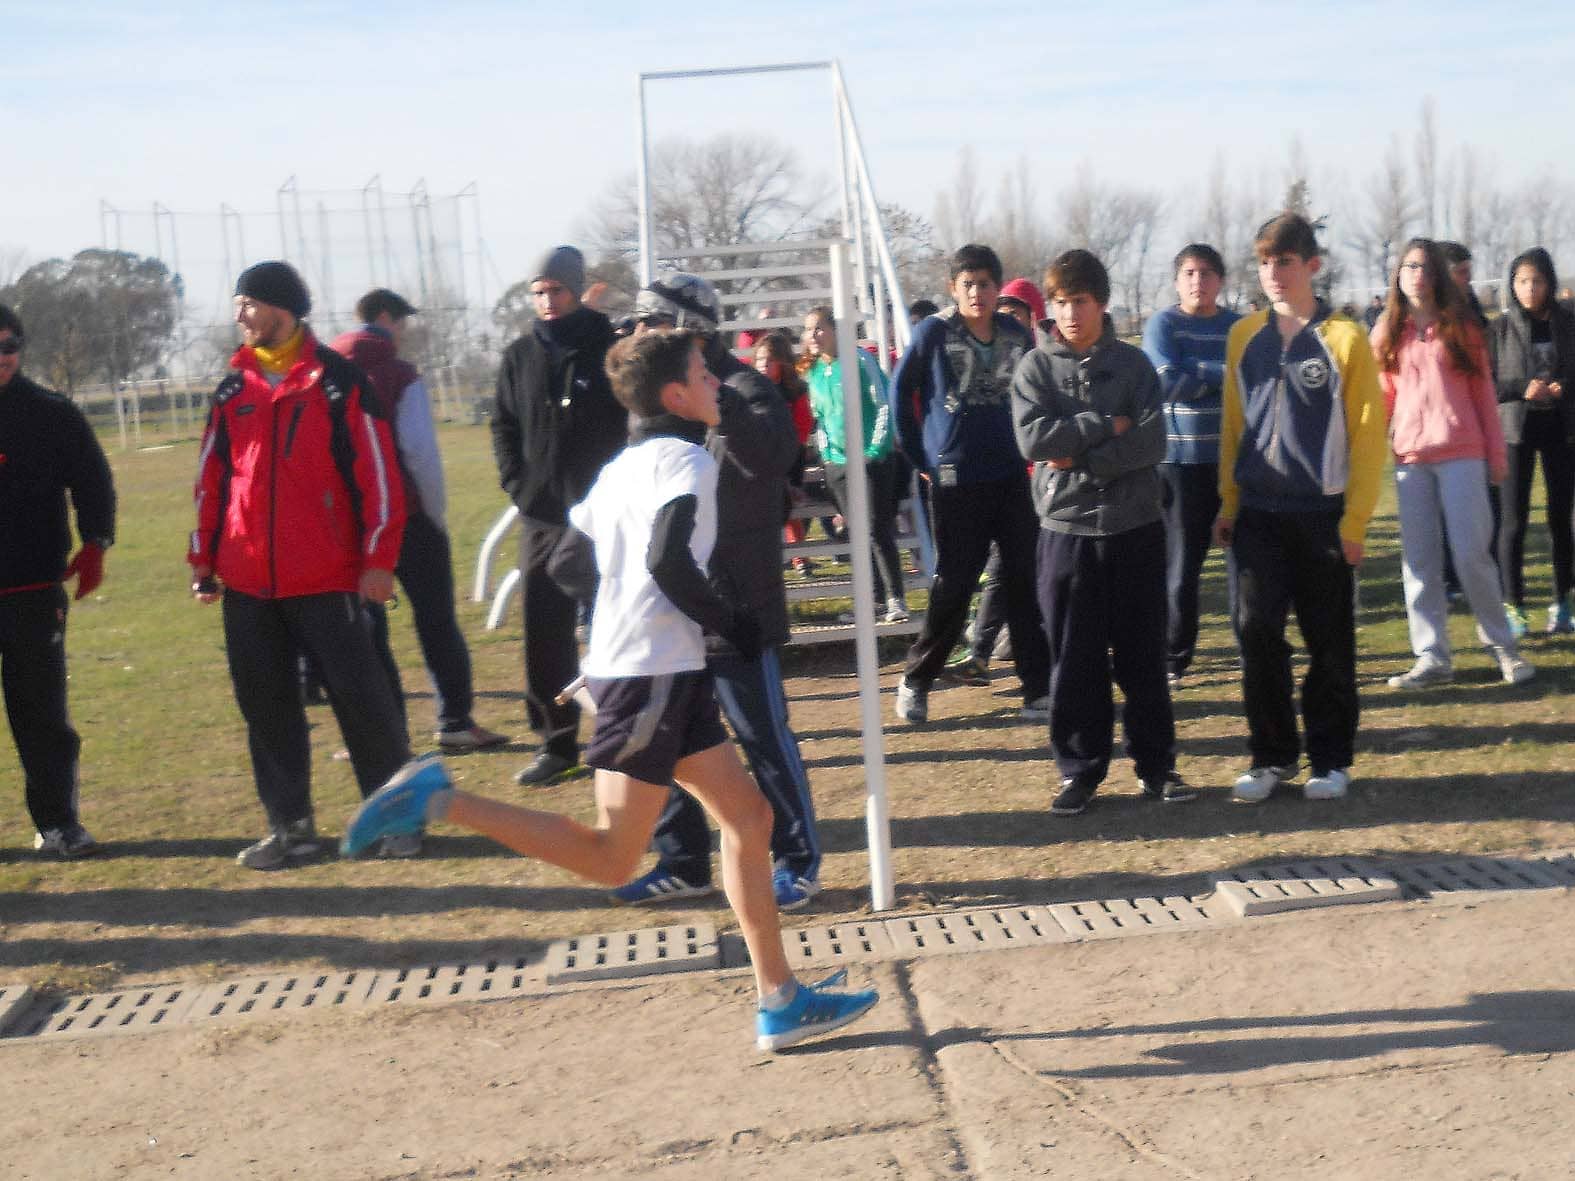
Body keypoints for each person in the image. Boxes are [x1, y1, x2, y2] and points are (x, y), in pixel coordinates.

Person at [340, 330, 878, 1051]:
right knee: (610, 857)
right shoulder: (686, 458)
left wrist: (624, 619)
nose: (717, 382)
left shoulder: (623, 465)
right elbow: (665, 558)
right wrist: (729, 624)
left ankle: (779, 998)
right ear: (674, 396)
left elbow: (567, 562)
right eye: (702, 373)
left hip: (659, 671)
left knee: (748, 820)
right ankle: (437, 796)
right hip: (652, 675)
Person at [190, 261, 412, 868]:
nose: (239, 316)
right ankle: (291, 827)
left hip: (329, 576)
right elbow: (213, 480)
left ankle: (396, 818)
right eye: (237, 304)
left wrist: (377, 560)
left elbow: (381, 478)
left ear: (281, 308)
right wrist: (203, 558)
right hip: (247, 580)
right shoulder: (233, 388)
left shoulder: (339, 381)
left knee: (361, 700)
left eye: (248, 304)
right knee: (265, 705)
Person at [610, 275, 822, 911]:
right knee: (670, 743)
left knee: (762, 736)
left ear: (688, 326)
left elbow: (776, 452)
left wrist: (713, 399)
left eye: (650, 322)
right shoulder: (654, 403)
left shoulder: (745, 388)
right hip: (672, 609)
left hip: (737, 605)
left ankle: (797, 859)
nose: (636, 333)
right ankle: (683, 860)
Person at [1214, 213, 1387, 804]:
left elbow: (1367, 435)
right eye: (1264, 262)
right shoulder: (1243, 338)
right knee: (1256, 630)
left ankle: (1331, 759)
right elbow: (1233, 427)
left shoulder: (1345, 338)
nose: (1273, 273)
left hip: (1324, 514)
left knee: (1328, 641)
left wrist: (1356, 521)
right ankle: (1271, 757)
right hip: (1258, 512)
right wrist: (1228, 504)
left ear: (1311, 265)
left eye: (1284, 261)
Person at [1012, 251, 1192, 816]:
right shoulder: (1034, 371)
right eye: (1060, 302)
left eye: (1080, 301)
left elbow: (1149, 444)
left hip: (1134, 527)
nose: (1069, 313)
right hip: (1066, 532)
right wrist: (1099, 427)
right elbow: (1035, 444)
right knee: (1074, 658)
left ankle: (1157, 766)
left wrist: (1081, 453)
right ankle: (1079, 771)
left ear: (1101, 304)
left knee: (1143, 654)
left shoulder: (1134, 367)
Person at [329, 290, 507, 753]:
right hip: (407, 515)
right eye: (402, 323)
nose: (403, 333)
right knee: (436, 622)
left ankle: (380, 728)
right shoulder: (398, 373)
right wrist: (434, 514)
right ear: (386, 318)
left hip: (351, 523)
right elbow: (419, 453)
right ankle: (454, 720)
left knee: (366, 632)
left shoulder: (323, 374)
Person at [888, 244, 1050, 724]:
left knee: (1024, 580)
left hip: (1011, 475)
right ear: (953, 289)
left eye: (985, 284)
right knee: (955, 584)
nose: (977, 293)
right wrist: (921, 457)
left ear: (998, 288)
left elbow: (1035, 394)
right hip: (956, 480)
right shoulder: (933, 333)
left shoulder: (1016, 335)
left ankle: (1038, 688)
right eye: (968, 285)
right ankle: (916, 679)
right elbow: (901, 395)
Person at [491, 246, 626, 785]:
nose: (547, 301)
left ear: (576, 289)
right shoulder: (519, 356)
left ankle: (622, 730)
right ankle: (556, 739)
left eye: (557, 290)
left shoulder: (609, 349)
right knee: (543, 629)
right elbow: (502, 425)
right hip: (541, 516)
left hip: (604, 514)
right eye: (538, 292)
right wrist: (522, 489)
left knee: (614, 623)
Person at [1373, 239, 1532, 688]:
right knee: (1419, 563)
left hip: (1463, 453)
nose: (1416, 274)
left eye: (1424, 266)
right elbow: (1383, 399)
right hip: (1410, 461)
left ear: (1438, 275)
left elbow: (1484, 394)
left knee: (1471, 556)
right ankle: (1432, 657)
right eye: (1408, 266)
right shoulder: (1387, 332)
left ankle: (1504, 648)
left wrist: (1496, 454)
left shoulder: (1462, 327)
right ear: (1398, 276)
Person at [0, 304, 116, 858]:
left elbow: (93, 479)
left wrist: (97, 541)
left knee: (43, 717)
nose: (1, 358)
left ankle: (58, 823)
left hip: (31, 591)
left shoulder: (50, 412)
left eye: (8, 346)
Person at [1142, 244, 1241, 684]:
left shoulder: (1238, 327)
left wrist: (1197, 372)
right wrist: (1221, 375)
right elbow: (1166, 383)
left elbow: (1252, 382)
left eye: (1205, 273)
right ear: (1177, 280)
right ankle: (1173, 655)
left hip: (1236, 464)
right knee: (1182, 569)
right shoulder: (1164, 324)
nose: (1197, 281)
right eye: (1189, 273)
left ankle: (1252, 646)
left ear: (1221, 280)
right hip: (1180, 464)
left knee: (1247, 565)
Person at [802, 306, 908, 624]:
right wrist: (828, 457)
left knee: (877, 529)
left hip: (872, 459)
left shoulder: (860, 360)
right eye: (809, 330)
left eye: (819, 327)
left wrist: (874, 450)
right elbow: (819, 418)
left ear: (835, 330)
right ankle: (871, 600)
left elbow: (883, 404)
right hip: (838, 463)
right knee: (856, 532)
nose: (813, 335)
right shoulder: (814, 372)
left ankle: (895, 598)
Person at [1492, 247, 1575, 637]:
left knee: (1561, 518)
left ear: (1550, 282)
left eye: (1537, 280)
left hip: (1561, 428)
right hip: (1516, 431)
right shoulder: (1501, 328)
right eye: (1522, 280)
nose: (1529, 288)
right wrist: (1520, 388)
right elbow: (1487, 385)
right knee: (1513, 521)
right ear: (1512, 284)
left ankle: (1563, 602)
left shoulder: (1568, 323)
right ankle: (1514, 607)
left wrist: (1565, 387)